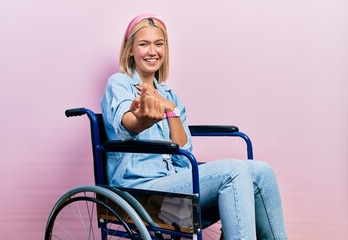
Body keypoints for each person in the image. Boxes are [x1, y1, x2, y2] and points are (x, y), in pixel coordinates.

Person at [100, 13, 288, 240]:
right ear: (130, 50)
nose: (152, 51)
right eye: (144, 44)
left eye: (159, 44)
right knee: (234, 170)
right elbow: (126, 124)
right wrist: (143, 117)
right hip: (141, 193)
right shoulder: (119, 83)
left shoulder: (170, 95)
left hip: (174, 184)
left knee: (262, 171)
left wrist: (170, 109)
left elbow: (183, 151)